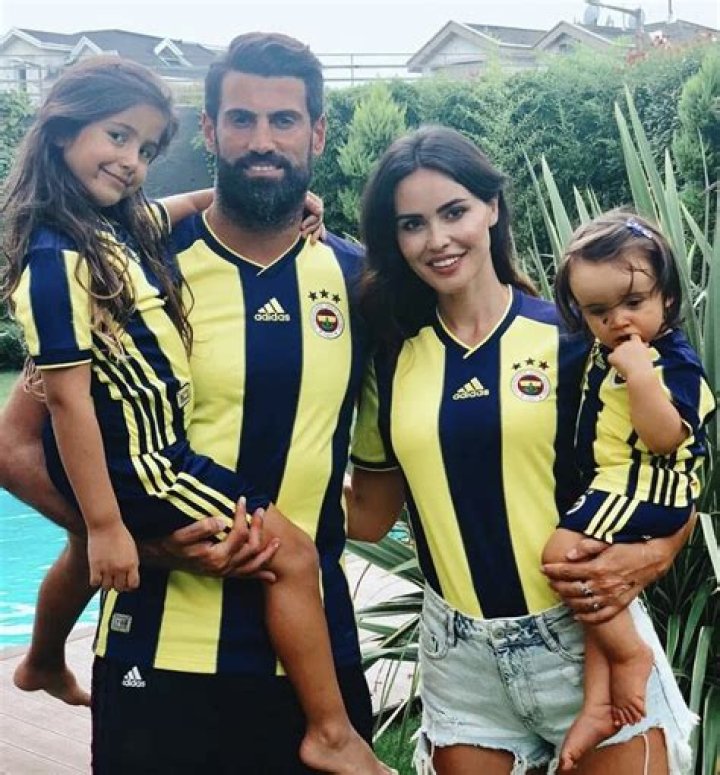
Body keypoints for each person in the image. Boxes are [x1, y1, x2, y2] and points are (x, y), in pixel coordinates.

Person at [0, 46, 391, 775]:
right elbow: (16, 447)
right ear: (210, 130)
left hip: (312, 657)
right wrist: (137, 542)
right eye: (241, 119)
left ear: (318, 133)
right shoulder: (126, 263)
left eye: (284, 120)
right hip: (155, 649)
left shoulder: (361, 280)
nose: (262, 141)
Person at [345, 126, 697, 775]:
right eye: (412, 224)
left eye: (454, 211)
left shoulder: (576, 340)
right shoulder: (390, 358)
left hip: (586, 638)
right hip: (462, 659)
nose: (437, 238)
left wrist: (658, 551)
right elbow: (369, 516)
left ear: (492, 207)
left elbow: (661, 466)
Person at [543, 210, 715, 769]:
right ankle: (600, 701)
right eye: (598, 311)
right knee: (594, 587)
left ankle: (631, 656)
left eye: (634, 302)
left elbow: (665, 438)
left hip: (648, 487)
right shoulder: (599, 351)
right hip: (617, 485)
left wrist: (640, 375)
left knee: (562, 556)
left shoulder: (673, 362)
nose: (619, 320)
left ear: (668, 296)